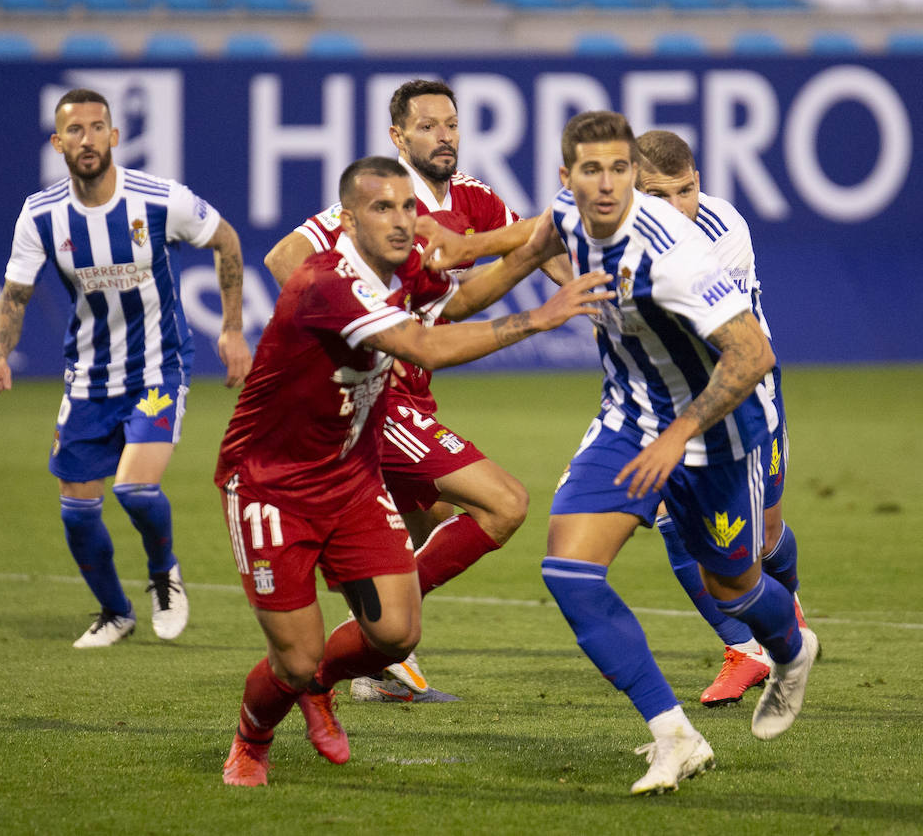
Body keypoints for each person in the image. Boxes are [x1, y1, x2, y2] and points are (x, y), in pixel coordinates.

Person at [429, 111, 818, 795]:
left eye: (616, 170)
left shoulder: (679, 254)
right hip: (631, 417)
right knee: (569, 569)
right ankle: (675, 734)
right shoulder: (572, 212)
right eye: (592, 171)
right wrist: (444, 307)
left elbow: (754, 353)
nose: (605, 186)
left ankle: (791, 648)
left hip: (721, 431)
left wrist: (679, 434)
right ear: (568, 177)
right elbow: (521, 253)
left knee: (734, 581)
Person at [217, 156, 612, 787]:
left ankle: (323, 683)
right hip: (274, 482)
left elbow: (456, 306)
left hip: (351, 476)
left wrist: (546, 239)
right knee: (292, 659)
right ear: (346, 220)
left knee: (397, 635)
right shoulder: (328, 281)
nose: (404, 221)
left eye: (408, 207)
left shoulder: (405, 270)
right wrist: (539, 316)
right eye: (383, 209)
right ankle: (252, 741)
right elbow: (427, 346)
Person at [264, 79, 535, 702]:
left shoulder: (473, 198)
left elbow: (489, 276)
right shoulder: (382, 199)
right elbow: (285, 259)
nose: (444, 135)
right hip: (377, 398)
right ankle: (348, 642)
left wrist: (574, 284)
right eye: (428, 125)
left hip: (417, 392)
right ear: (398, 136)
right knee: (503, 505)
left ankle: (379, 665)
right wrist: (351, 330)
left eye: (451, 124)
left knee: (428, 525)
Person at [0, 88, 252, 648]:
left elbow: (227, 242)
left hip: (159, 368)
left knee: (134, 488)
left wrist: (231, 329)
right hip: (88, 378)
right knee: (78, 513)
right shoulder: (41, 214)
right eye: (74, 130)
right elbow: (14, 296)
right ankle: (114, 612)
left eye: (97, 127)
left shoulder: (159, 200)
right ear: (58, 142)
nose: (87, 139)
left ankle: (163, 574)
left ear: (115, 136)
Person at [634, 129, 813, 708]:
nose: (677, 207)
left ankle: (786, 620)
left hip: (744, 393)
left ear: (699, 183)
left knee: (761, 538)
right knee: (671, 515)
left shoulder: (722, 230)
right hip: (671, 398)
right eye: (658, 196)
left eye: (685, 190)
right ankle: (746, 648)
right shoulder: (615, 228)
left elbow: (711, 347)